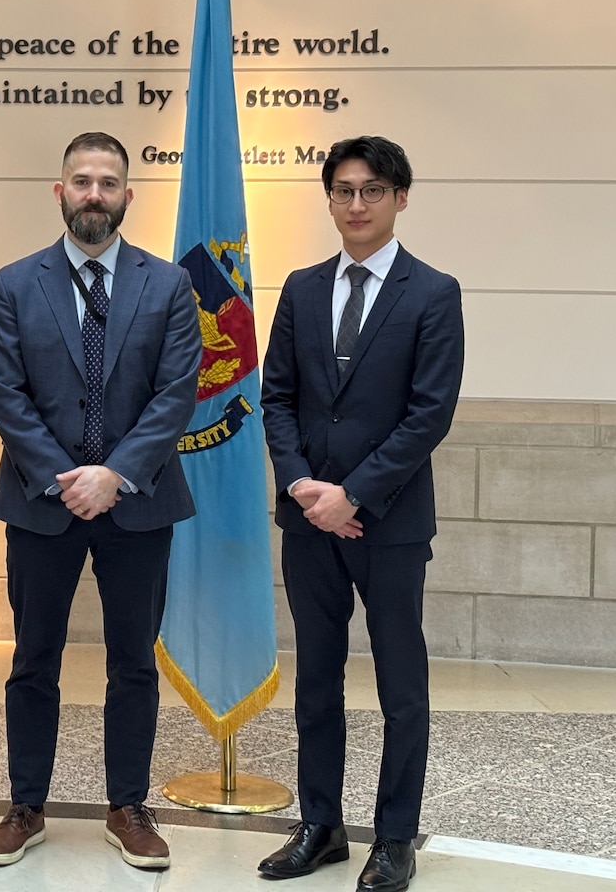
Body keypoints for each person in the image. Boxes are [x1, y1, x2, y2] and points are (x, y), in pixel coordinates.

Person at [0, 132, 201, 871]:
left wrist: (115, 474)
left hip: (138, 505)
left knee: (133, 662)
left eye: (108, 182)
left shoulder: (169, 285)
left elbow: (176, 395)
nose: (94, 194)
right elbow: (6, 395)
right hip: (41, 504)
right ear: (60, 192)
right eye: (81, 181)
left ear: (128, 195)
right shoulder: (14, 284)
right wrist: (67, 478)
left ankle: (127, 807)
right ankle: (25, 806)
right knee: (32, 660)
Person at [258, 136, 463, 892]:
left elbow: (428, 414)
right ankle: (321, 826)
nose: (356, 204)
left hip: (391, 524)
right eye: (343, 190)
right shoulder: (301, 288)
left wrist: (355, 495)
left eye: (372, 190)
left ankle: (396, 836)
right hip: (309, 522)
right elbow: (276, 397)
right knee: (317, 681)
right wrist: (303, 486)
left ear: (400, 198)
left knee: (401, 687)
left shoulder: (433, 292)